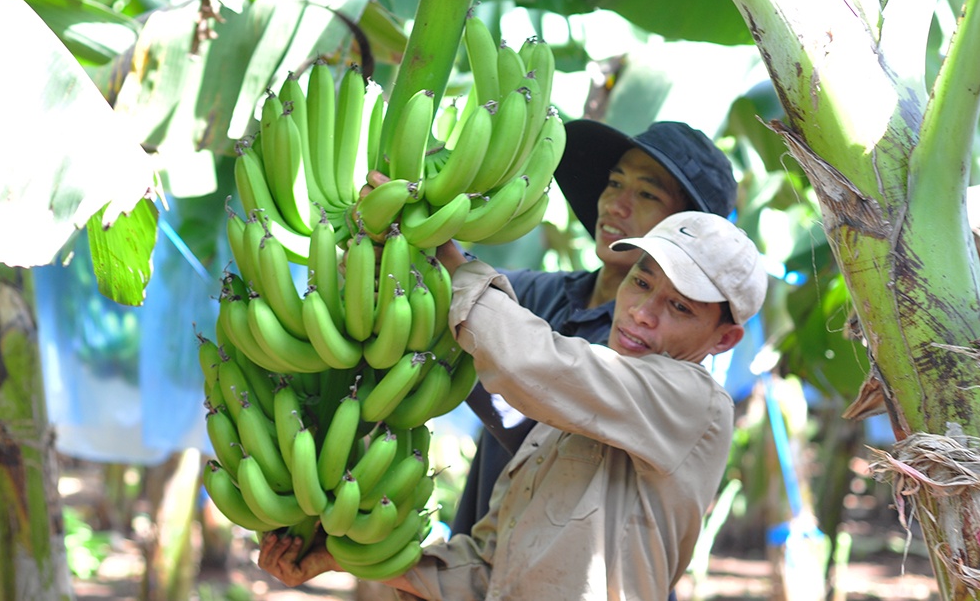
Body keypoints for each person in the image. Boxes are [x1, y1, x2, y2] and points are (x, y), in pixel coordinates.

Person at [256, 210, 769, 600]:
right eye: (641, 281)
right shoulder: (564, 423)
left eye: (679, 306)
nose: (642, 312)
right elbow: (485, 569)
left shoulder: (695, 402)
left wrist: (453, 264)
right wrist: (348, 558)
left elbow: (536, 364)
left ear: (724, 338)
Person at [453, 119, 739, 537]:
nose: (615, 205)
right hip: (479, 563)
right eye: (614, 182)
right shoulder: (548, 293)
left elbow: (537, 387)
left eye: (646, 194)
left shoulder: (653, 350)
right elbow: (465, 284)